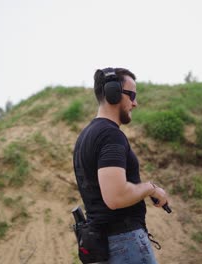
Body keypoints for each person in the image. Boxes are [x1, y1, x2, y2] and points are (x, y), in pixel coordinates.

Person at [73, 67, 169, 264]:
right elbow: (116, 197)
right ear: (113, 93)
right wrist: (151, 189)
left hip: (104, 245)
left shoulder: (85, 136)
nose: (135, 103)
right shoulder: (110, 136)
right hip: (124, 244)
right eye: (132, 95)